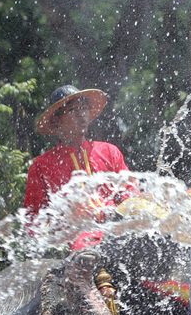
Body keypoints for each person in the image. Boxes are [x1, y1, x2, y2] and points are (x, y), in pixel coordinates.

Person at [24, 85, 132, 220]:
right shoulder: (41, 166)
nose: (81, 114)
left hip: (115, 233)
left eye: (84, 108)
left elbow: (130, 193)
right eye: (72, 109)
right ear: (57, 121)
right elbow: (33, 219)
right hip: (74, 238)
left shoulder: (109, 152)